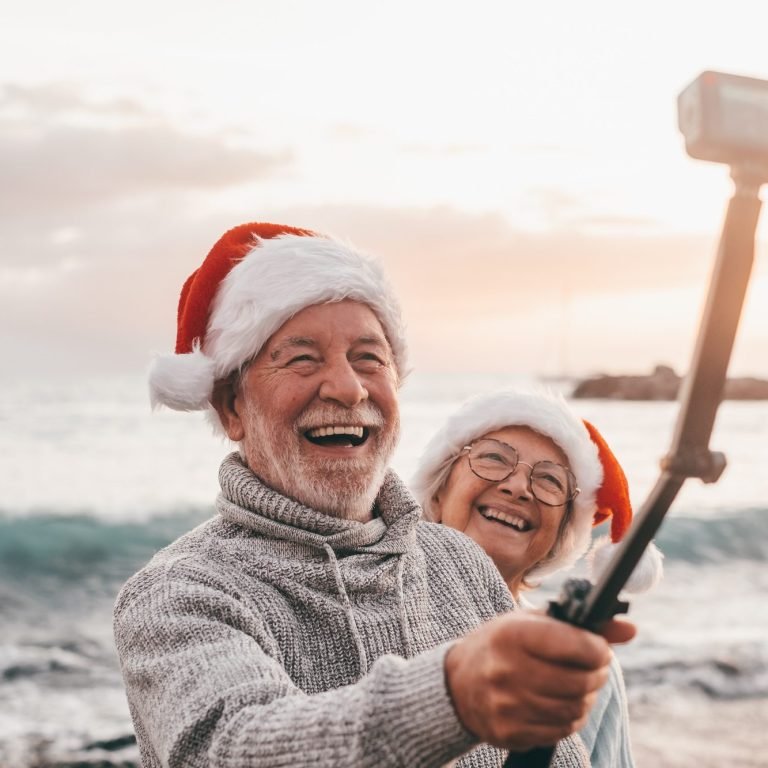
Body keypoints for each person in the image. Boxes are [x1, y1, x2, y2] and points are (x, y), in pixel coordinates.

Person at [113, 222, 635, 768]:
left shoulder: (461, 564)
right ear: (231, 408)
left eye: (368, 358)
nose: (348, 387)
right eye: (302, 358)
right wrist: (454, 696)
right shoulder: (175, 594)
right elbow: (232, 747)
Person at [411, 389, 664, 767]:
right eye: (494, 458)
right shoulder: (377, 609)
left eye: (550, 481)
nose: (518, 487)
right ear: (438, 491)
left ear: (560, 535)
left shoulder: (584, 665)